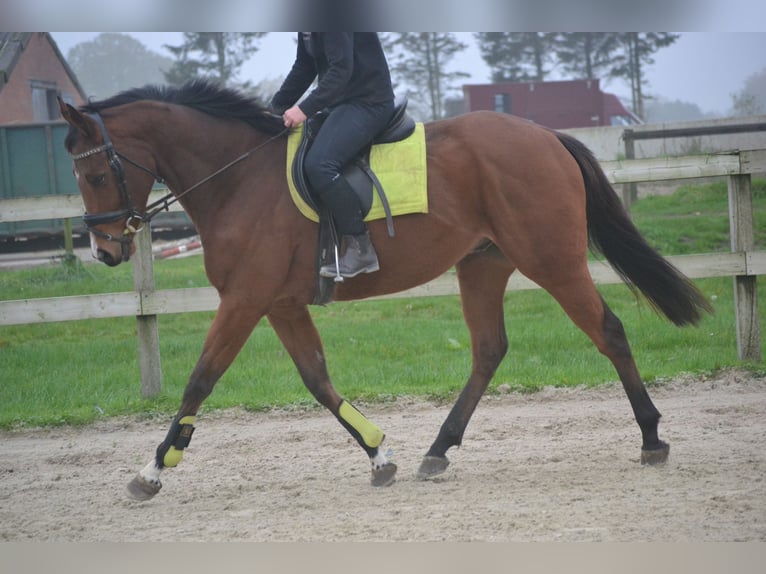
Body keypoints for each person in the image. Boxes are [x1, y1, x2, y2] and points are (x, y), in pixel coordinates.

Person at [271, 32, 396, 279]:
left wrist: (303, 109)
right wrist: (272, 111)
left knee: (320, 165)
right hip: (340, 104)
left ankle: (361, 247)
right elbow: (304, 67)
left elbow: (341, 70)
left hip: (369, 103)